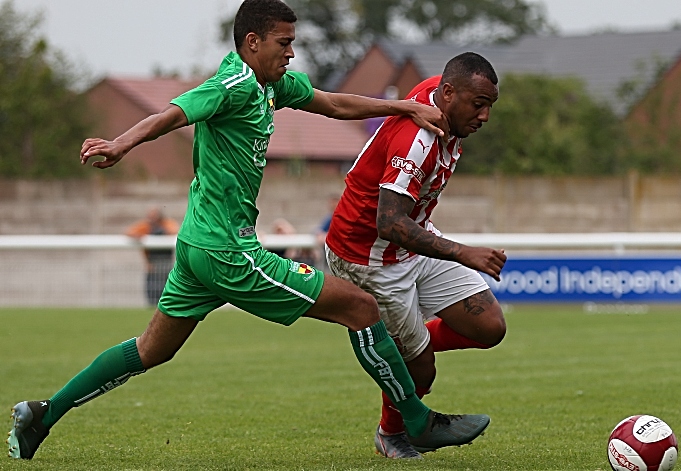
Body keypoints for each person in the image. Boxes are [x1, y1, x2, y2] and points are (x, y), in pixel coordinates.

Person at [7, 0, 491, 461]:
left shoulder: (271, 85)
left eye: (293, 42)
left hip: (197, 246)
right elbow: (173, 113)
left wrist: (403, 108)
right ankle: (415, 419)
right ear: (252, 41)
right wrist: (121, 143)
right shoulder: (233, 83)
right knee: (360, 307)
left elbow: (334, 104)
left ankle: (42, 415)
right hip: (228, 253)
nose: (292, 52)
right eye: (284, 43)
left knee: (150, 349)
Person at [324, 52, 507, 459]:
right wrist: (463, 253)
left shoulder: (444, 100)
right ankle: (392, 434)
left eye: (490, 105)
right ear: (447, 94)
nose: (485, 116)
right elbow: (388, 222)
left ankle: (396, 342)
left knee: (490, 326)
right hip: (368, 254)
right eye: (478, 105)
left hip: (411, 239)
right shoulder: (419, 138)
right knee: (422, 368)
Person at [125, 207, 180, 305]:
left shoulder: (167, 224)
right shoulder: (146, 226)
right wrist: (139, 236)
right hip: (152, 264)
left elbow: (175, 231)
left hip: (165, 263)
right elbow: (130, 232)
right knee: (152, 291)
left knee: (166, 290)